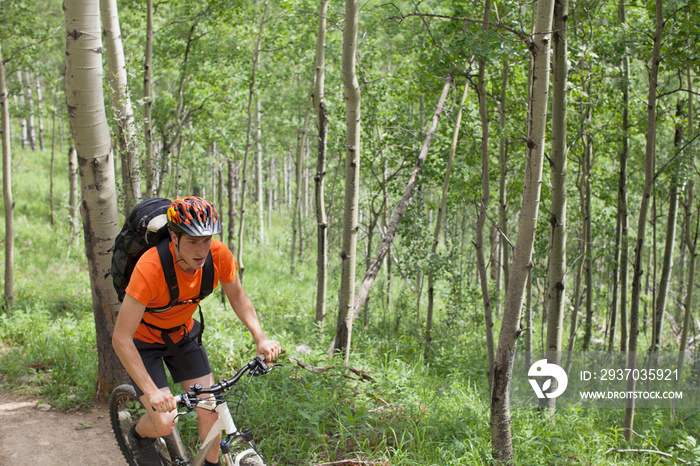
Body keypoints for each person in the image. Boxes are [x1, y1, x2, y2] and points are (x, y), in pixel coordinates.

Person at [112, 196, 282, 466]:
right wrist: (152, 391)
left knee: (211, 409)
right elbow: (120, 338)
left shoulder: (218, 255)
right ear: (174, 238)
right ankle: (138, 436)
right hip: (143, 342)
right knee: (166, 422)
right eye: (192, 241)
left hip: (183, 335)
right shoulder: (150, 268)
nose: (201, 249)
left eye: (206, 239)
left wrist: (260, 337)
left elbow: (237, 296)